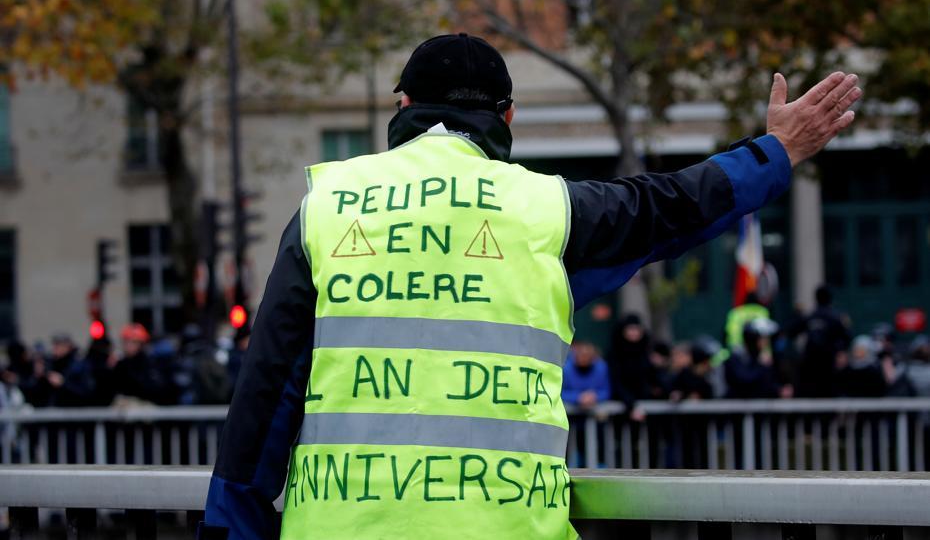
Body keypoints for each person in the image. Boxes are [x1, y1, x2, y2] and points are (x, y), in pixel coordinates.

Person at [201, 33, 860, 539]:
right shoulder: (548, 208)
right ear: (507, 117)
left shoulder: (329, 205)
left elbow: (260, 409)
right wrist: (776, 151)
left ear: (401, 106)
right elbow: (675, 205)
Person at [797, 285, 851, 397]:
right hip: (828, 365)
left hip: (810, 365)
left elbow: (792, 330)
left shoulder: (810, 316)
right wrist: (840, 351)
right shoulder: (835, 318)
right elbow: (846, 337)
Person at [724, 318, 786, 399]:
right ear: (752, 339)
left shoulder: (761, 357)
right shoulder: (736, 357)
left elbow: (767, 385)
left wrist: (779, 390)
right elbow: (744, 382)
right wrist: (761, 366)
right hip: (737, 407)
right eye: (763, 338)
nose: (766, 342)